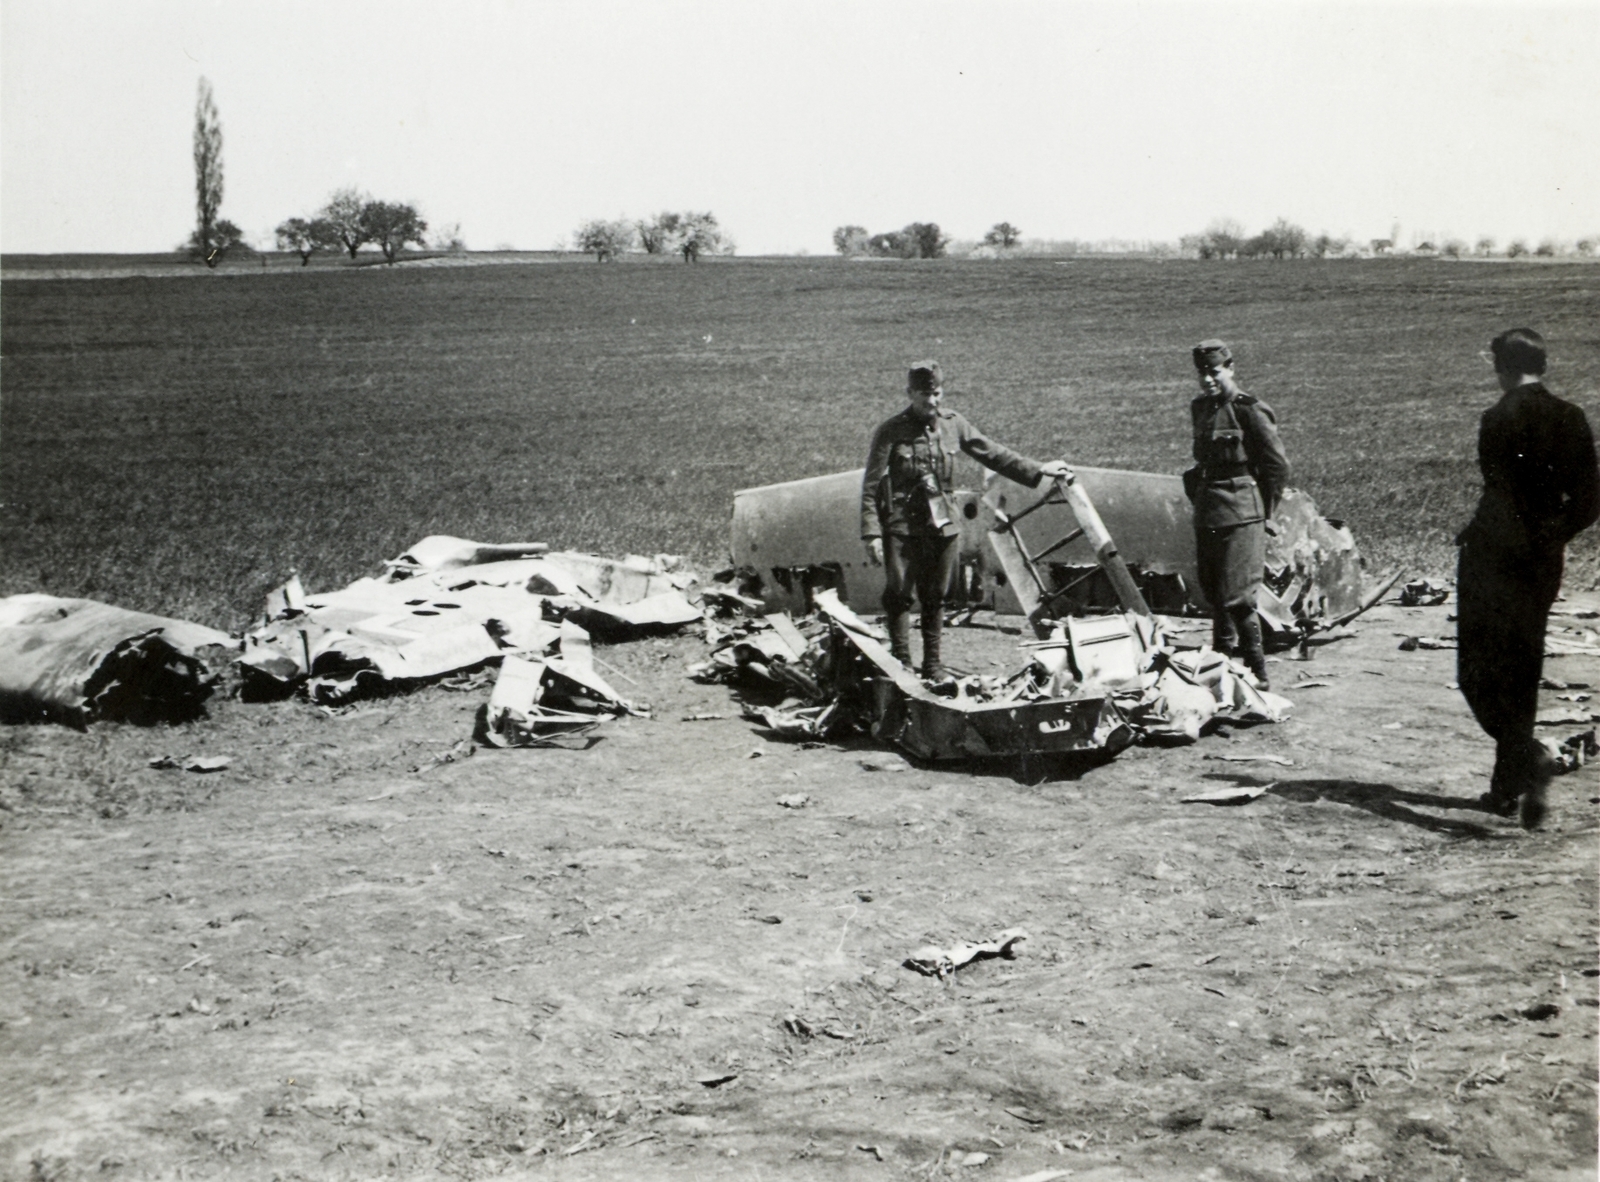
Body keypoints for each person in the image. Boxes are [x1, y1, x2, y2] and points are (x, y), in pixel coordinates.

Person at [1456, 328, 1598, 829]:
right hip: (1541, 562)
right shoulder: (1571, 417)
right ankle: (1506, 787)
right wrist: (1550, 537)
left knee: (1474, 671)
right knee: (1522, 667)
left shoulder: (1497, 418)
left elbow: (1499, 494)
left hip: (1493, 556)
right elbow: (1589, 501)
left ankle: (1529, 754)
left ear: (1503, 366)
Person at [861, 361, 1072, 679]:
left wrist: (1039, 469)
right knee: (899, 594)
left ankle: (933, 664)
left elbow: (994, 454)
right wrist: (872, 533)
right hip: (902, 524)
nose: (931, 402)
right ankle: (901, 661)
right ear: (910, 394)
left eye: (936, 393)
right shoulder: (891, 431)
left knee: (936, 594)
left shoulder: (953, 424)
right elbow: (872, 485)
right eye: (923, 396)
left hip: (943, 523)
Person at [1183, 339, 1290, 689]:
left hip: (1244, 511)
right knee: (1214, 593)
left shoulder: (1250, 409)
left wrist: (1266, 515)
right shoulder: (1200, 407)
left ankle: (1258, 674)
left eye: (1214, 372)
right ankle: (1222, 665)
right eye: (1202, 373)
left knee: (1240, 596)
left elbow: (1276, 467)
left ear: (1230, 368)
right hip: (1209, 509)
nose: (1207, 380)